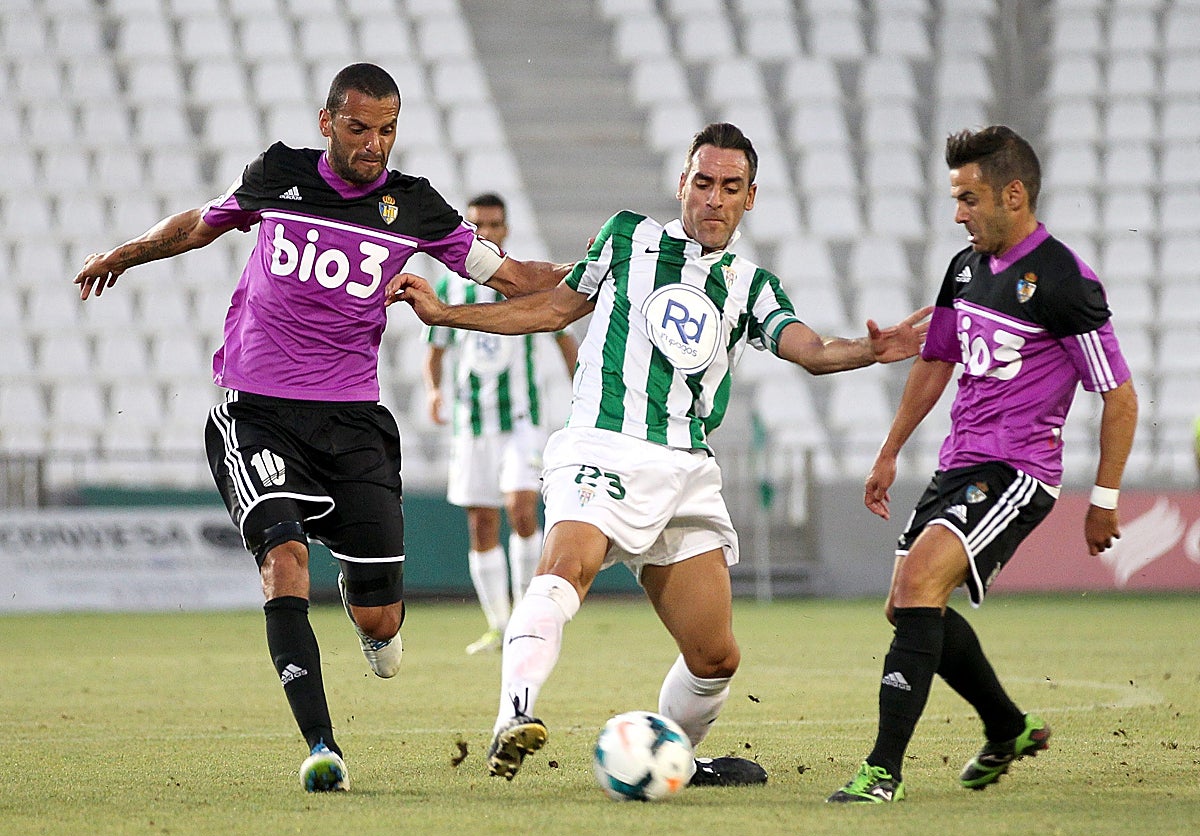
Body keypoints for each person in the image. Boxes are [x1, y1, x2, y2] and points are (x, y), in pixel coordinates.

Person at [72, 63, 566, 792]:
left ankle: (369, 619)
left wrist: (615, 272)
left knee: (382, 622)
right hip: (257, 411)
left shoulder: (415, 206)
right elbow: (199, 225)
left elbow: (514, 277)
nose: (375, 144)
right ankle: (322, 746)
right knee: (284, 561)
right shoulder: (278, 174)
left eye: (388, 130)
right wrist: (125, 252)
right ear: (327, 120)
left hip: (352, 422)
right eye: (360, 128)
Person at [392, 122, 931, 787]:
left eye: (730, 188)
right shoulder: (628, 238)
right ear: (682, 183)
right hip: (603, 443)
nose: (713, 199)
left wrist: (872, 351)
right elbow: (551, 309)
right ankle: (514, 713)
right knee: (567, 569)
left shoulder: (752, 286)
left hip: (685, 470)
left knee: (715, 656)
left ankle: (672, 757)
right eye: (702, 183)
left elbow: (812, 352)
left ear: (749, 198)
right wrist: (449, 316)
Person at [827, 126, 1138, 804]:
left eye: (969, 198)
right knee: (907, 605)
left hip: (1019, 470)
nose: (958, 213)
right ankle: (1007, 727)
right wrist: (888, 451)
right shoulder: (966, 268)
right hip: (960, 463)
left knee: (916, 591)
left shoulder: (1063, 281)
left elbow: (1119, 396)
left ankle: (883, 772)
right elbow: (936, 358)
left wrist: (1105, 497)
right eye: (955, 199)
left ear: (1013, 194)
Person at [421, 192, 579, 655]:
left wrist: (580, 391)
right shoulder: (453, 287)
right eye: (478, 226)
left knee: (522, 509)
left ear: (506, 228)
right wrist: (434, 391)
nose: (487, 232)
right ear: (469, 230)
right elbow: (437, 351)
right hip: (473, 425)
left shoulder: (527, 282)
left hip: (522, 421)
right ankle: (499, 623)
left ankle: (530, 618)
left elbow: (563, 338)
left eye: (494, 224)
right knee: (481, 524)